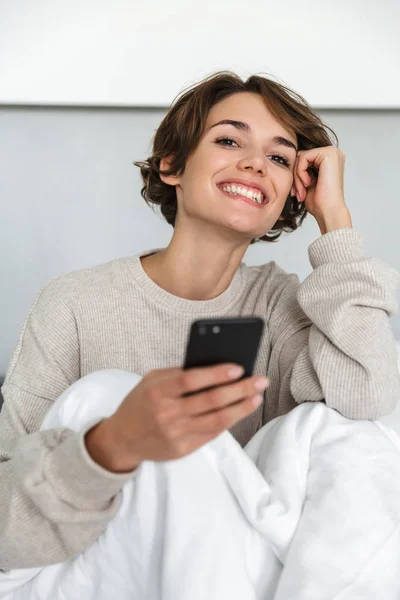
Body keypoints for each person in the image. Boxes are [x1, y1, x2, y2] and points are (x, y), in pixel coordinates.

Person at [0, 71, 399, 572]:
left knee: (343, 432)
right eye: (230, 140)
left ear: (291, 194)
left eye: (279, 158)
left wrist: (335, 217)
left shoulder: (283, 306)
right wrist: (113, 444)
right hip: (95, 566)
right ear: (172, 166)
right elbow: (6, 530)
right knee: (107, 393)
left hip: (228, 568)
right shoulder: (73, 304)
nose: (256, 163)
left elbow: (368, 408)